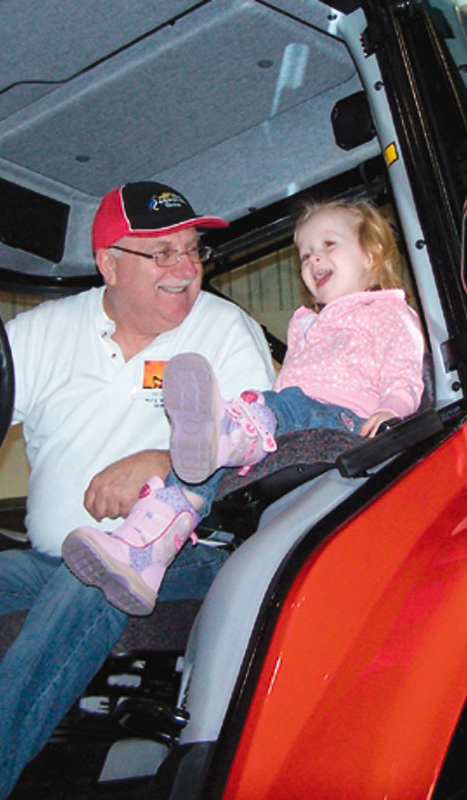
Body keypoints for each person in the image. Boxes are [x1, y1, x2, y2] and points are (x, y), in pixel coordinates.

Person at [0, 181, 275, 800]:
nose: (185, 268)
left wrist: (162, 461)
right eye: (163, 253)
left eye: (192, 250)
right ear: (109, 264)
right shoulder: (48, 330)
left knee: (99, 564)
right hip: (52, 562)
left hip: (186, 558)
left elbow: (261, 447)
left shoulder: (225, 330)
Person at [62, 198, 426, 615]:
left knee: (279, 405)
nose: (314, 258)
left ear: (371, 253)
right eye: (305, 254)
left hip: (344, 422)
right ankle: (142, 553)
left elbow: (404, 372)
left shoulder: (387, 312)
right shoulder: (306, 323)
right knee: (198, 473)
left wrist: (393, 411)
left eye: (329, 244)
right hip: (292, 419)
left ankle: (229, 431)